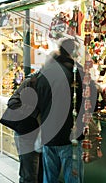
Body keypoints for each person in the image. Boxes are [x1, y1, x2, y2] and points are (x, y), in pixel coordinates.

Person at [35, 38, 85, 183]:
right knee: (73, 178)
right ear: (74, 52)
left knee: (49, 178)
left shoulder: (45, 72)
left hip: (48, 135)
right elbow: (86, 101)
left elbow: (37, 102)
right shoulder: (76, 71)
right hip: (70, 135)